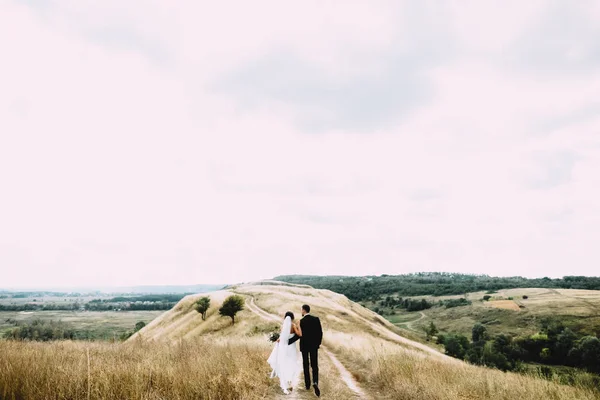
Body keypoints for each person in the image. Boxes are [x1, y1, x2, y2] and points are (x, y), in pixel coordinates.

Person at [288, 304, 323, 397]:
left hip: (304, 347)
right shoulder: (316, 319)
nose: (301, 312)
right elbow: (320, 333)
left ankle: (307, 385)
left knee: (306, 365)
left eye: (301, 310)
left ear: (303, 310)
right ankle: (315, 382)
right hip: (314, 346)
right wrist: (318, 343)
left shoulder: (301, 321)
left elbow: (298, 335)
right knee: (314, 365)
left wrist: (287, 342)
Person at [267, 311, 302, 394]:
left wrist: (278, 339)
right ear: (292, 317)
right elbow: (300, 334)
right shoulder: (293, 326)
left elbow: (281, 338)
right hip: (291, 348)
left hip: (283, 348)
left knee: (284, 363)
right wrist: (299, 326)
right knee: (291, 363)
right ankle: (289, 381)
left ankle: (285, 381)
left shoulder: (283, 326)